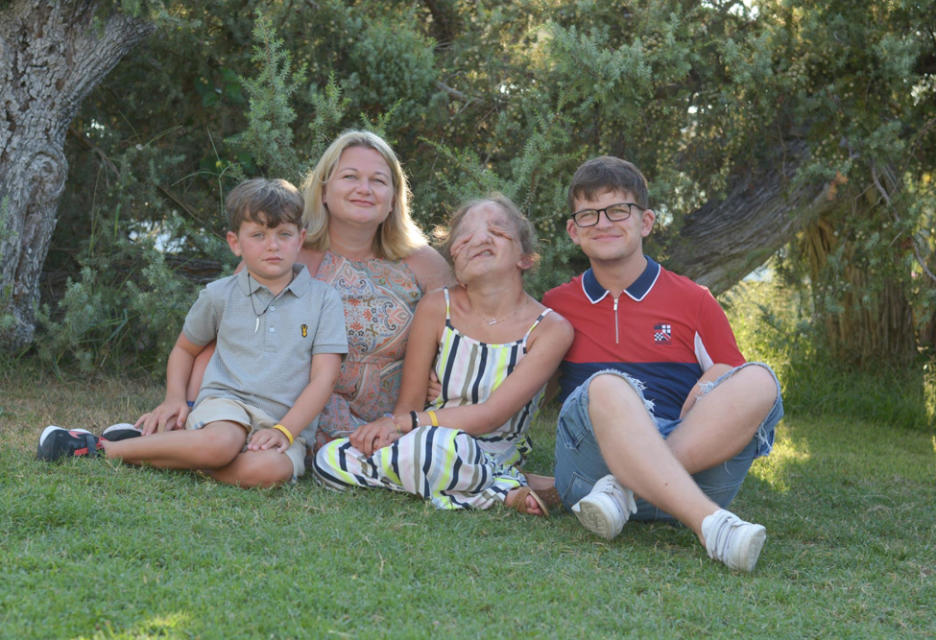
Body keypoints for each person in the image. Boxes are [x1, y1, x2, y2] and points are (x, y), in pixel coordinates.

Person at [543, 156, 783, 571]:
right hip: (589, 474)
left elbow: (732, 377)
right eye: (588, 214)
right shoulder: (556, 307)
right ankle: (711, 527)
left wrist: (712, 380)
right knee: (608, 386)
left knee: (762, 379)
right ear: (573, 231)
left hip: (690, 472)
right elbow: (525, 390)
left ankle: (625, 489)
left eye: (618, 210)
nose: (603, 223)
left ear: (647, 221)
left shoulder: (694, 301)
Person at [36, 178, 348, 488]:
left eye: (284, 234)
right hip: (226, 408)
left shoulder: (323, 299)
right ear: (234, 242)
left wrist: (284, 431)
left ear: (300, 238)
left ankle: (176, 452)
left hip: (284, 424)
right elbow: (185, 349)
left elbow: (324, 378)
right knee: (222, 444)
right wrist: (175, 399)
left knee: (268, 472)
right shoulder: (219, 295)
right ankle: (99, 448)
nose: (273, 245)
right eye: (258, 235)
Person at [184, 131, 453, 451]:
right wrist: (186, 406)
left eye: (378, 181)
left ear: (394, 197)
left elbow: (469, 331)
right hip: (286, 421)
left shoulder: (423, 262)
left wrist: (444, 376)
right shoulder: (284, 253)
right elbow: (221, 338)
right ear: (323, 190)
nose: (364, 189)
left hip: (393, 429)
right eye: (350, 176)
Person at [314, 195, 573, 515]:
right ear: (456, 263)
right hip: (425, 435)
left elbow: (491, 415)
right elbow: (408, 404)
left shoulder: (550, 329)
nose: (480, 238)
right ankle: (502, 487)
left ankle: (486, 475)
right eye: (466, 236)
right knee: (328, 459)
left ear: (526, 258)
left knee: (432, 449)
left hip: (487, 447)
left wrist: (407, 424)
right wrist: (393, 429)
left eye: (497, 230)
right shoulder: (437, 307)